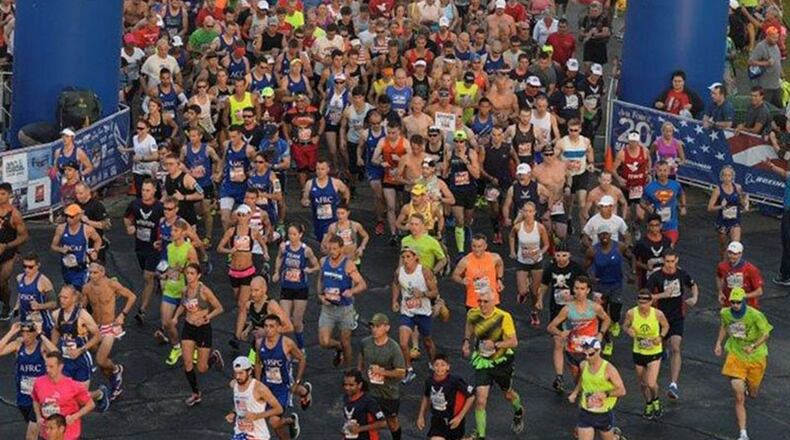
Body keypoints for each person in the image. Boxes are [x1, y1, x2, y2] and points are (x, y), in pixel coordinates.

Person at [462, 288, 524, 439]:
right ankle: (481, 435)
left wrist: (495, 344)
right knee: (481, 399)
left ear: (494, 301)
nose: (482, 305)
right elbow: (469, 325)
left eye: (485, 302)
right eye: (480, 301)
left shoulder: (504, 317)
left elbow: (513, 342)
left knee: (508, 394)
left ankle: (518, 411)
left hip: (501, 363)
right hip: (483, 362)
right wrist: (466, 341)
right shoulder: (473, 314)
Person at [714, 287, 773, 440]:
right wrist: (719, 343)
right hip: (736, 354)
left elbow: (766, 334)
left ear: (743, 302)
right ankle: (743, 433)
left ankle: (750, 387)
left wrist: (753, 346)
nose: (735, 305)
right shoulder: (726, 313)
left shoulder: (755, 315)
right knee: (739, 395)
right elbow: (724, 326)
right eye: (732, 302)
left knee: (753, 393)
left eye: (738, 302)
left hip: (756, 357)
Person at [646, 249, 698, 401]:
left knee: (676, 347)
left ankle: (673, 384)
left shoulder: (682, 274)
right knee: (660, 346)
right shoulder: (656, 276)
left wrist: (694, 297)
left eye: (672, 261)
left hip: (676, 316)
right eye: (667, 261)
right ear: (663, 261)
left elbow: (693, 285)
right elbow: (645, 297)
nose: (669, 265)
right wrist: (662, 295)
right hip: (660, 317)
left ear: (676, 260)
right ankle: (662, 352)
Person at [50, 285, 111, 412]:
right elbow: (56, 329)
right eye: (61, 296)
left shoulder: (82, 315)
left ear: (73, 299)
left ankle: (100, 393)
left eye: (65, 298)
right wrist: (52, 348)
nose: (62, 300)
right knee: (64, 395)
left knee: (81, 399)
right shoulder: (56, 314)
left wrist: (81, 350)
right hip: (65, 361)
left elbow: (98, 335)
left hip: (81, 361)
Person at [81, 263, 136, 401]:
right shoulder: (86, 288)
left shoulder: (111, 284)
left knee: (100, 360)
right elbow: (82, 307)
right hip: (95, 327)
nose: (92, 276)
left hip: (109, 327)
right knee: (102, 362)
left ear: (102, 272)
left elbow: (132, 296)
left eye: (95, 273)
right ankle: (115, 385)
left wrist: (122, 314)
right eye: (90, 273)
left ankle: (117, 369)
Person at [547, 276, 610, 390]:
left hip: (590, 348)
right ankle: (578, 393)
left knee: (590, 375)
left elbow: (606, 319)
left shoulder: (595, 307)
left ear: (588, 290)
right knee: (577, 377)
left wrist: (601, 333)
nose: (579, 292)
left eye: (582, 288)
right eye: (577, 288)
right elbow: (551, 327)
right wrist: (560, 333)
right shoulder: (567, 309)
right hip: (573, 349)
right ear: (573, 290)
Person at [255, 313, 312, 439]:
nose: (268, 329)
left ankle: (292, 417)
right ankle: (303, 394)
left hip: (283, 388)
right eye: (266, 326)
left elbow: (302, 359)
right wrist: (258, 383)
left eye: (272, 326)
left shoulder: (287, 343)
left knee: (273, 421)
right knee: (276, 426)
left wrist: (297, 381)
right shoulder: (259, 343)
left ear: (279, 328)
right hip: (267, 387)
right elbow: (258, 363)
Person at [0, 321, 57, 440]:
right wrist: (11, 332)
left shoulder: (41, 347)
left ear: (35, 334)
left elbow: (56, 354)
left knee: (31, 435)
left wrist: (41, 334)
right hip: (24, 397)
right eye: (23, 334)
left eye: (29, 334)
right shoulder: (18, 345)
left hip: (41, 397)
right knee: (40, 431)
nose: (25, 337)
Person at [318, 235, 368, 367]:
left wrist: (351, 291)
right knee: (324, 342)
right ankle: (337, 346)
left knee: (346, 342)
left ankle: (347, 370)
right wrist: (320, 295)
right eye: (329, 249)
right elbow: (320, 279)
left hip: (345, 309)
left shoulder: (348, 264)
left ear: (341, 249)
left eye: (335, 249)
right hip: (328, 309)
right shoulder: (323, 261)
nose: (332, 251)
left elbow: (362, 284)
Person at [392, 247, 438, 384]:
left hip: (423, 312)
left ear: (415, 258)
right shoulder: (399, 272)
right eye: (403, 257)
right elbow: (395, 284)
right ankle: (409, 369)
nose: (405, 260)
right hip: (408, 312)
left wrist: (423, 294)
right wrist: (394, 300)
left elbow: (435, 292)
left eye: (408, 257)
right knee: (403, 343)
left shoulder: (424, 271)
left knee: (428, 342)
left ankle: (433, 363)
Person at [272, 224, 321, 352]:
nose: (292, 237)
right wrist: (276, 271)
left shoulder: (306, 250)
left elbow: (317, 265)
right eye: (290, 234)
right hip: (286, 287)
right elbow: (279, 257)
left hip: (300, 289)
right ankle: (280, 348)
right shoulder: (284, 247)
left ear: (300, 235)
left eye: (294, 234)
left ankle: (300, 346)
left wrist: (310, 270)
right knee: (284, 320)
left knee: (297, 322)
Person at [622, 290, 670, 419]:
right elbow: (625, 325)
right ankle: (648, 403)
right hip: (638, 351)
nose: (642, 306)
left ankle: (656, 399)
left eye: (645, 303)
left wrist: (660, 337)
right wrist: (628, 330)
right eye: (640, 303)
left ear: (651, 302)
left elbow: (666, 326)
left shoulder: (658, 314)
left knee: (651, 382)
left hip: (654, 351)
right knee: (643, 384)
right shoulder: (631, 313)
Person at [567, 337, 627, 440]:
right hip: (586, 412)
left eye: (591, 354)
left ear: (598, 351)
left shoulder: (609, 369)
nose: (587, 357)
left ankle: (616, 437)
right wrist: (575, 392)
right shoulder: (583, 365)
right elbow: (582, 379)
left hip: (604, 414)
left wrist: (605, 394)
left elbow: (622, 391)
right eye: (584, 354)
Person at [358, 313, 406, 440]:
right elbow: (362, 355)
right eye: (373, 326)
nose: (374, 329)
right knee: (364, 418)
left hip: (387, 392)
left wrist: (383, 372)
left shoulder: (393, 348)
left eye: (378, 326)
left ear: (387, 328)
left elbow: (401, 372)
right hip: (368, 389)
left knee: (392, 422)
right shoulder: (365, 342)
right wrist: (359, 373)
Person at [123, 178, 165, 324]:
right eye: (143, 190)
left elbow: (169, 224)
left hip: (155, 248)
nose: (145, 193)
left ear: (154, 190)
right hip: (140, 246)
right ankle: (157, 279)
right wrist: (129, 227)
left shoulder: (160, 207)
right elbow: (127, 218)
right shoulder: (135, 204)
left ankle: (142, 310)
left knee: (148, 276)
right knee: (147, 275)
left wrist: (162, 240)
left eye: (148, 190)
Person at [160, 219, 199, 365]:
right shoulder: (169, 247)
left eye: (176, 231)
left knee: (191, 323)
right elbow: (169, 267)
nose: (172, 233)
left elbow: (196, 269)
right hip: (170, 288)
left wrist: (183, 271)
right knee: (166, 322)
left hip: (186, 291)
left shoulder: (189, 249)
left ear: (183, 233)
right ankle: (177, 347)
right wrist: (165, 274)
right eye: (172, 230)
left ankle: (193, 349)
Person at [32, 352, 96, 440]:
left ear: (60, 366)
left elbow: (90, 404)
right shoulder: (39, 383)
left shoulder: (73, 385)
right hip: (47, 434)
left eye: (51, 366)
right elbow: (35, 400)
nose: (48, 370)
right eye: (46, 366)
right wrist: (38, 417)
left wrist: (74, 417)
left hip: (68, 434)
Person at [584, 224, 627, 356]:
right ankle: (608, 341)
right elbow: (585, 266)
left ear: (610, 235)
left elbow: (630, 256)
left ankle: (615, 321)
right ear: (598, 236)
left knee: (615, 311)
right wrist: (590, 279)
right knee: (600, 315)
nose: (604, 237)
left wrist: (632, 272)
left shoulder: (619, 246)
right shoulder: (593, 250)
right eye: (601, 234)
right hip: (600, 286)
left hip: (616, 284)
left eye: (606, 234)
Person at [415, 353, 476, 440]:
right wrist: (421, 416)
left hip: (453, 419)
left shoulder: (455, 380)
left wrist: (459, 417)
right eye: (436, 365)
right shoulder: (429, 381)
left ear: (448, 367)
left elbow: (471, 396)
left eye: (443, 365)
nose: (439, 368)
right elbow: (426, 396)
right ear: (432, 367)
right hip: (437, 420)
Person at [508, 202, 549, 327]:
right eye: (525, 211)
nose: (528, 214)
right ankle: (523, 292)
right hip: (522, 261)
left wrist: (540, 253)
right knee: (522, 291)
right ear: (522, 212)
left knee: (535, 292)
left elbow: (547, 244)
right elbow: (511, 236)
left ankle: (534, 312)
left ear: (535, 212)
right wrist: (513, 251)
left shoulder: (540, 227)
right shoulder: (517, 227)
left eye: (530, 211)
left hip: (536, 262)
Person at [226, 356, 284, 440]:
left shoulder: (259, 388)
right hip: (240, 432)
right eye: (236, 373)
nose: (237, 377)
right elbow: (240, 403)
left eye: (241, 373)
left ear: (249, 371)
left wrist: (257, 416)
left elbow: (278, 409)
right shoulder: (234, 384)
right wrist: (233, 413)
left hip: (258, 435)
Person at [443, 130, 480, 255]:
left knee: (467, 219)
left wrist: (466, 162)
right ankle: (461, 250)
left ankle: (467, 229)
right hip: (456, 190)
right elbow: (444, 172)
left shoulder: (471, 153)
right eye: (456, 142)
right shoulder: (449, 153)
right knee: (459, 220)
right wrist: (446, 170)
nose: (459, 144)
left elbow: (477, 174)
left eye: (461, 141)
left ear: (465, 142)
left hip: (469, 190)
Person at [50, 204, 102, 292]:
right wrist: (61, 249)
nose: (69, 219)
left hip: (81, 268)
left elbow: (98, 240)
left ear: (78, 216)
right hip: (66, 268)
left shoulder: (87, 230)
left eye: (71, 216)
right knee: (71, 291)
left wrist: (95, 251)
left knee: (77, 291)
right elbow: (53, 246)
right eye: (67, 216)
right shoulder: (61, 228)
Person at [301, 159, 351, 243]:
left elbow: (346, 191)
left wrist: (344, 206)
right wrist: (305, 202)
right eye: (318, 169)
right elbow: (304, 199)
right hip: (318, 220)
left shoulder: (335, 182)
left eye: (322, 169)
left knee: (328, 244)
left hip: (333, 220)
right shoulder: (310, 183)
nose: (320, 172)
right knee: (322, 242)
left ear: (328, 169)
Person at [0, 182, 29, 320]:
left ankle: (6, 304)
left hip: (8, 252)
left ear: (9, 195)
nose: (0, 197)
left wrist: (8, 246)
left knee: (2, 280)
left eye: (3, 194)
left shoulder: (15, 214)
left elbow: (24, 236)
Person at [452, 234, 505, 310]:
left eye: (479, 246)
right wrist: (462, 281)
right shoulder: (465, 261)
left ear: (485, 246)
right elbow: (455, 275)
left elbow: (500, 265)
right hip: (473, 303)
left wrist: (499, 279)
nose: (477, 249)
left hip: (492, 301)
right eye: (474, 246)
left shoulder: (494, 257)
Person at [707, 165, 749, 260]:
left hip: (735, 220)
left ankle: (734, 265)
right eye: (725, 175)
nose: (727, 178)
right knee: (724, 247)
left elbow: (743, 204)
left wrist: (743, 200)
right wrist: (721, 206)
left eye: (729, 175)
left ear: (732, 177)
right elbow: (710, 208)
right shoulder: (718, 190)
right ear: (722, 177)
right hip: (722, 221)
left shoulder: (737, 188)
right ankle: (723, 264)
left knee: (735, 246)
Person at [641, 161, 686, 245]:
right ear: (656, 172)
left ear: (669, 171)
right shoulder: (649, 188)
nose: (662, 173)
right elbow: (642, 201)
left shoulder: (675, 185)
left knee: (669, 248)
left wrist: (683, 206)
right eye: (660, 170)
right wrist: (647, 208)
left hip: (671, 225)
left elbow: (682, 194)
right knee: (657, 250)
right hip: (655, 227)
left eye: (665, 170)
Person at [16, 254, 56, 337]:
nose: (27, 269)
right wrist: (16, 306)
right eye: (24, 266)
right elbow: (20, 293)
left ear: (38, 266)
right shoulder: (20, 278)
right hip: (25, 319)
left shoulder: (44, 281)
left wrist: (40, 306)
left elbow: (54, 303)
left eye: (30, 267)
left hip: (40, 320)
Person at [341, 368, 388, 440]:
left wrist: (359, 429)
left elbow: (383, 423)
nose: (347, 388)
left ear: (360, 385)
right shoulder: (346, 398)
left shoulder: (369, 402)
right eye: (345, 385)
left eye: (351, 385)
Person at [716, 241, 764, 308]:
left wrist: (742, 296)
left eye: (735, 254)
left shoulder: (751, 269)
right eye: (730, 253)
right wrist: (720, 292)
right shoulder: (722, 266)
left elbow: (759, 291)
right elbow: (718, 276)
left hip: (748, 306)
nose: (732, 256)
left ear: (740, 254)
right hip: (729, 305)